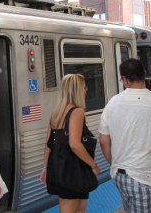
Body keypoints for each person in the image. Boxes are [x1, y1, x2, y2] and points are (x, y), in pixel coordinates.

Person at [98, 58, 151, 213]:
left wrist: (115, 163)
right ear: (144, 74)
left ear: (124, 79)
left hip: (119, 176)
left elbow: (104, 140)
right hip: (144, 178)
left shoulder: (112, 103)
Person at [40, 74, 100, 213]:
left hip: (59, 168)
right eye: (84, 88)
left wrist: (45, 167)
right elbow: (74, 144)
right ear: (78, 90)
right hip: (73, 171)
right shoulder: (77, 111)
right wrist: (93, 164)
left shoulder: (56, 113)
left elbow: (49, 144)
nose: (86, 91)